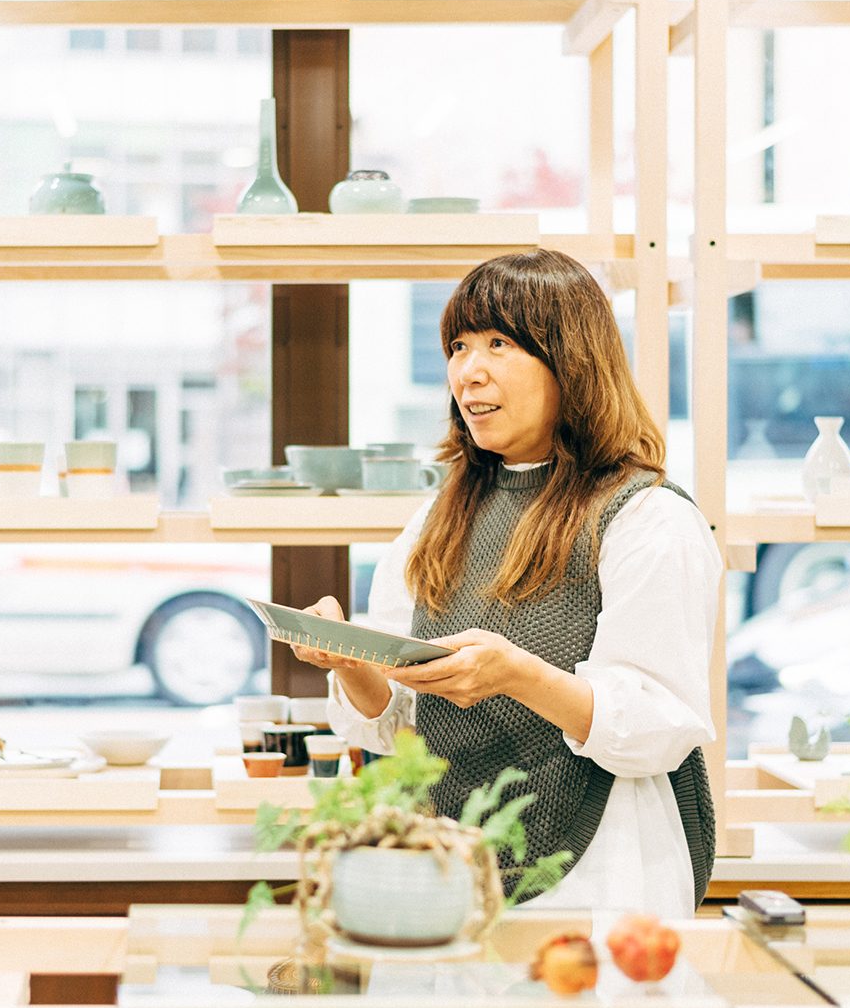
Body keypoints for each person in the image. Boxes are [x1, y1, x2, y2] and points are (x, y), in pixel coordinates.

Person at [301, 247, 720, 914]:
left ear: (572, 360)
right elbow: (401, 725)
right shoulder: (437, 518)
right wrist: (353, 660)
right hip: (451, 868)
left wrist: (517, 674)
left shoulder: (648, 517)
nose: (469, 370)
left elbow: (657, 728)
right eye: (459, 345)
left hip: (606, 875)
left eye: (499, 343)